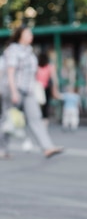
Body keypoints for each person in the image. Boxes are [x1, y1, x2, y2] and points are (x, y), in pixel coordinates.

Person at [0, 25, 64, 159]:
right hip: (14, 89)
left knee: (35, 118)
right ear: (20, 35)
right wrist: (13, 92)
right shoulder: (13, 50)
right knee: (8, 120)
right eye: (28, 33)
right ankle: (2, 149)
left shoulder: (29, 51)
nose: (31, 36)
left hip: (28, 90)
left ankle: (47, 147)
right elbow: (10, 72)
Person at [36, 52, 60, 122]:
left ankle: (39, 118)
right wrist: (55, 89)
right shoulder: (50, 66)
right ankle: (44, 119)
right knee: (45, 105)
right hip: (45, 88)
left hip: (38, 88)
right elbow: (55, 79)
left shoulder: (37, 66)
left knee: (38, 104)